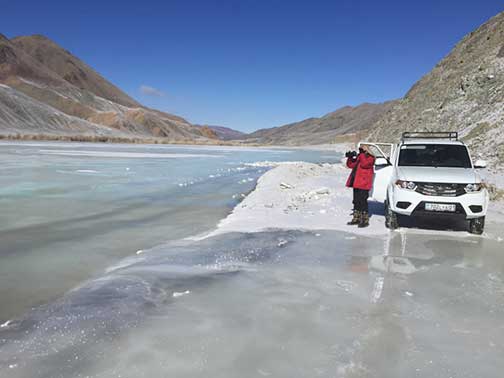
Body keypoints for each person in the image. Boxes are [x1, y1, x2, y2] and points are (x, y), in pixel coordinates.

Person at [345, 144, 375, 228]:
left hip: (364, 184)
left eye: (362, 149)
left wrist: (361, 155)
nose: (360, 150)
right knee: (356, 201)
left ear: (366, 150)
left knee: (362, 202)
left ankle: (364, 219)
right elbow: (351, 165)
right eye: (360, 149)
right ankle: (356, 218)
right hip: (356, 183)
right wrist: (350, 157)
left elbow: (364, 164)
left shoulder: (370, 158)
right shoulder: (360, 157)